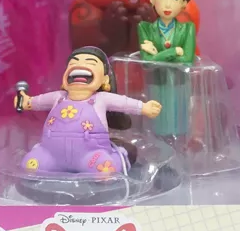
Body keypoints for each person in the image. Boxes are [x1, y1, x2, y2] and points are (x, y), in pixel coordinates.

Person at [18, 47, 161, 175]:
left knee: (104, 170)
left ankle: (120, 156)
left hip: (90, 155)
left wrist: (144, 107)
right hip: (51, 154)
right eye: (73, 64)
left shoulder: (101, 99)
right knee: (30, 166)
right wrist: (26, 101)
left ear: (105, 80)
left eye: (91, 63)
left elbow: (124, 103)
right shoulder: (58, 97)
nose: (80, 66)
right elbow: (38, 101)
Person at [137, 0, 196, 140]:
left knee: (180, 125)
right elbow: (147, 63)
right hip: (156, 85)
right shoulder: (145, 28)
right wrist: (172, 52)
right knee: (157, 124)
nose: (168, 4)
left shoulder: (187, 28)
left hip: (180, 85)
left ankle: (179, 147)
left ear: (184, 3)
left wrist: (157, 56)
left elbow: (187, 60)